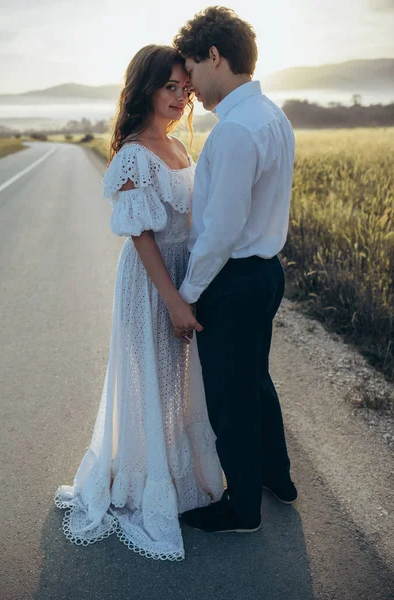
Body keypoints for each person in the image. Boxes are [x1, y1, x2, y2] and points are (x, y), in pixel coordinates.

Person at [55, 44, 223, 561]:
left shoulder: (179, 146)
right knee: (150, 376)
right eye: (169, 87)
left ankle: (176, 471)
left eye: (184, 88)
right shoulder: (133, 152)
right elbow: (142, 237)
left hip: (179, 275)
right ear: (146, 88)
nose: (179, 97)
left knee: (178, 378)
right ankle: (142, 482)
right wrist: (173, 300)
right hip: (150, 282)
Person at [172, 6, 297, 533]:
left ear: (214, 57)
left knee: (230, 395)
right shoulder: (272, 115)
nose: (191, 86)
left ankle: (241, 507)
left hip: (234, 280)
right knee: (255, 380)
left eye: (192, 69)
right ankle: (277, 477)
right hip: (266, 272)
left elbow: (219, 233)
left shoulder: (234, 132)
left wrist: (188, 293)